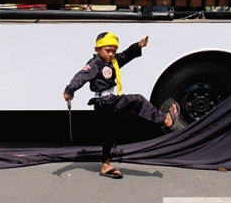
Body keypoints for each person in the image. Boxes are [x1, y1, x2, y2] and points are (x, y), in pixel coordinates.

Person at [63, 32, 180, 179]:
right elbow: (81, 76)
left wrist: (138, 46)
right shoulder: (95, 64)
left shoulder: (113, 61)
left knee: (109, 134)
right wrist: (69, 90)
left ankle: (105, 166)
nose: (111, 54)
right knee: (138, 100)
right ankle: (165, 120)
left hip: (108, 102)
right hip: (105, 102)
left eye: (114, 51)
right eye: (108, 50)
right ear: (97, 49)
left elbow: (126, 55)